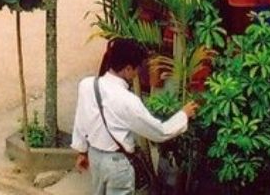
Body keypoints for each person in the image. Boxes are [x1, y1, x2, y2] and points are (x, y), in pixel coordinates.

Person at [70, 38, 198, 195]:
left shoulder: (87, 85)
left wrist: (82, 151)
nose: (138, 73)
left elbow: (80, 120)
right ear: (128, 69)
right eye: (137, 69)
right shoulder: (128, 100)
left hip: (95, 157)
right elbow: (160, 132)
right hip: (117, 165)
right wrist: (183, 115)